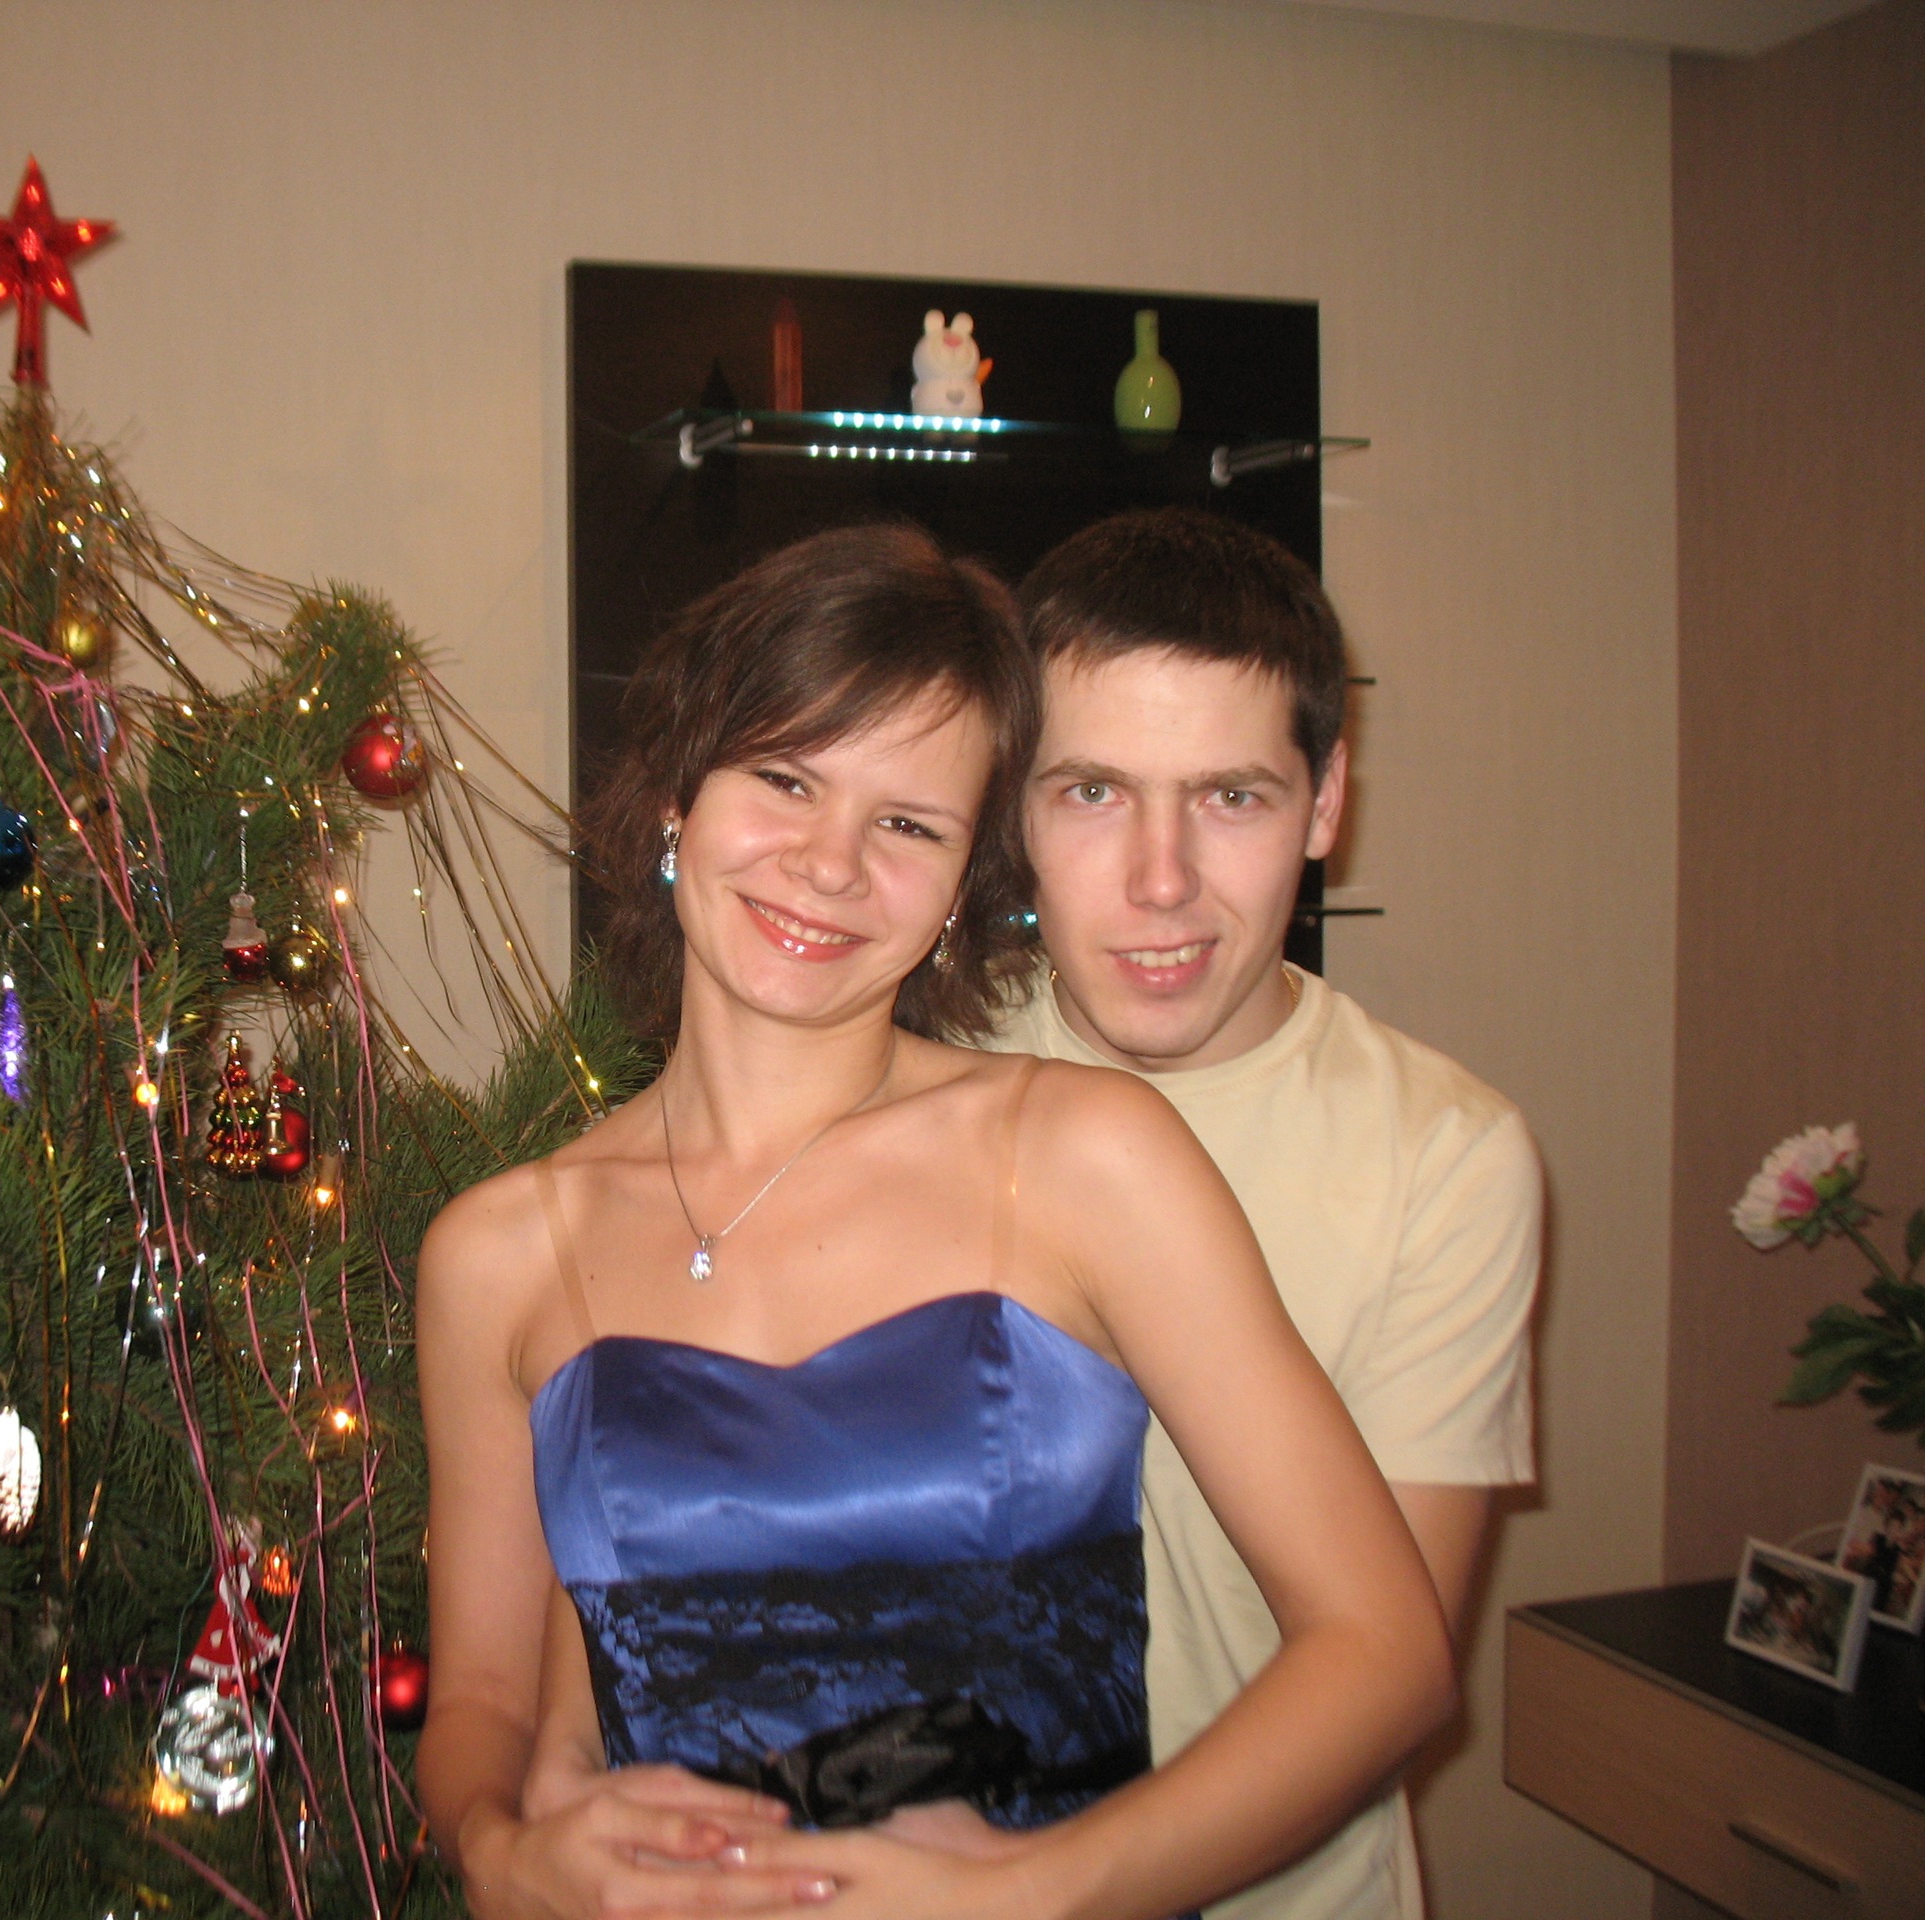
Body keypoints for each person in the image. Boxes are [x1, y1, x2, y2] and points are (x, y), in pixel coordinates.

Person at [416, 523, 1453, 1920]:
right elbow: (479, 1705)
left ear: (968, 880)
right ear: (678, 797)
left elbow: (1386, 1649)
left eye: (908, 824)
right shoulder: (495, 1256)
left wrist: (1038, 1893)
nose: (830, 864)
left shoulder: (1082, 1158)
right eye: (785, 778)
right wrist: (500, 1856)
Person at [990, 507, 1541, 1920]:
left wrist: (1032, 1896)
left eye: (1230, 798)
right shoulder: (915, 1069)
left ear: (1326, 800)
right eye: (1092, 792)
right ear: (1012, 804)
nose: (1161, 879)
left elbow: (1378, 1682)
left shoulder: (1445, 1158)